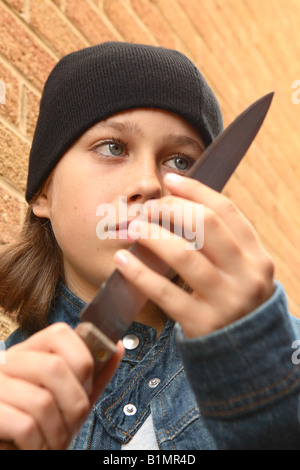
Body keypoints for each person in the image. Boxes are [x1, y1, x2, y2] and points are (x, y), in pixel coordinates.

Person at [0, 42, 300, 450]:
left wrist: (268, 391)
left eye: (181, 161)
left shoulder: (283, 355)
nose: (148, 183)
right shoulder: (8, 394)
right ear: (43, 194)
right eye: (113, 148)